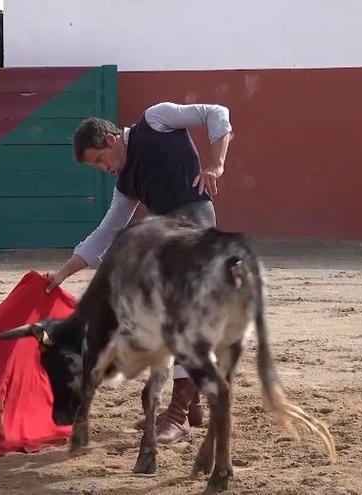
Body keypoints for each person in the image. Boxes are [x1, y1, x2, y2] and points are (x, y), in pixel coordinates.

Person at [44, 102, 234, 444]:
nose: (105, 169)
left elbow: (216, 112)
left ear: (113, 138)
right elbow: (104, 233)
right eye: (97, 167)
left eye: (101, 160)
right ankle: (189, 401)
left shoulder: (156, 119)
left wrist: (216, 164)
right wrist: (61, 275)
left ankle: (178, 414)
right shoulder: (126, 185)